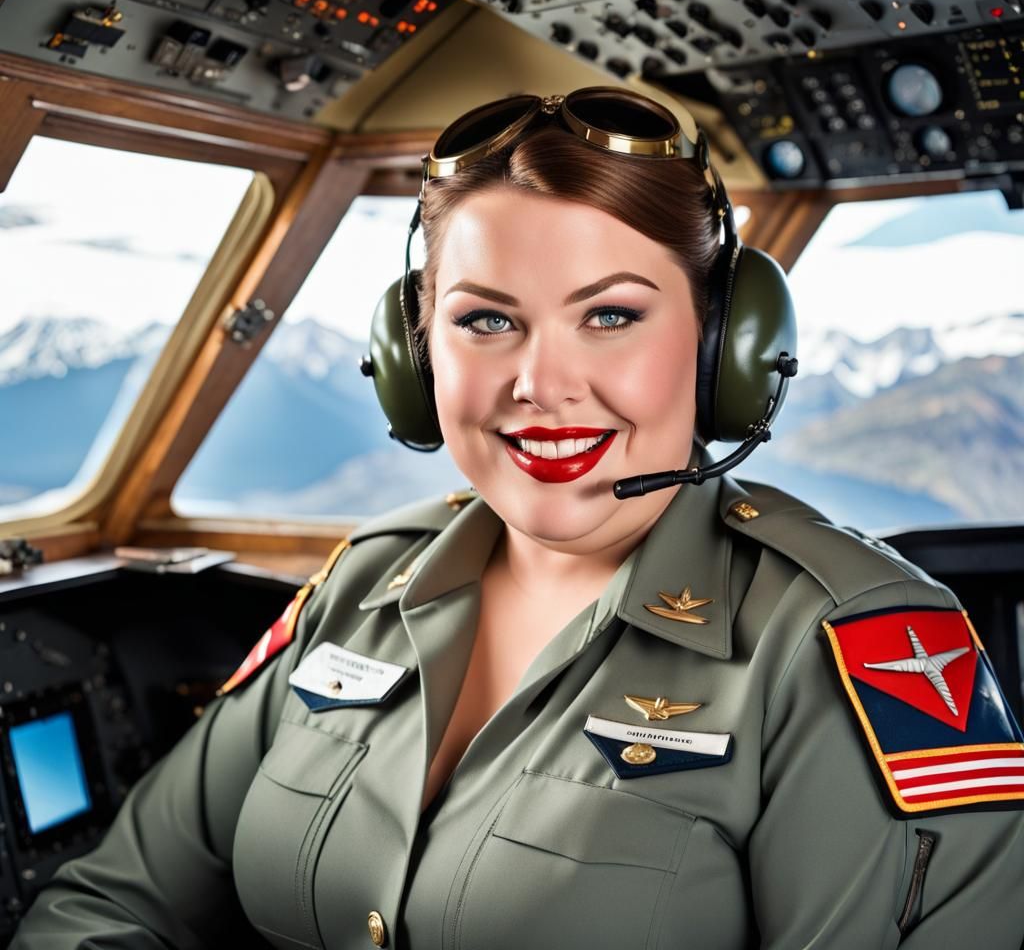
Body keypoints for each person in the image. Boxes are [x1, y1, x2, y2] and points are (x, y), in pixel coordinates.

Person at [12, 87, 1024, 950]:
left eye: (612, 314)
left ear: (723, 350)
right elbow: (107, 900)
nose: (540, 384)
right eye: (485, 319)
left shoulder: (852, 640)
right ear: (416, 356)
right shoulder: (362, 584)